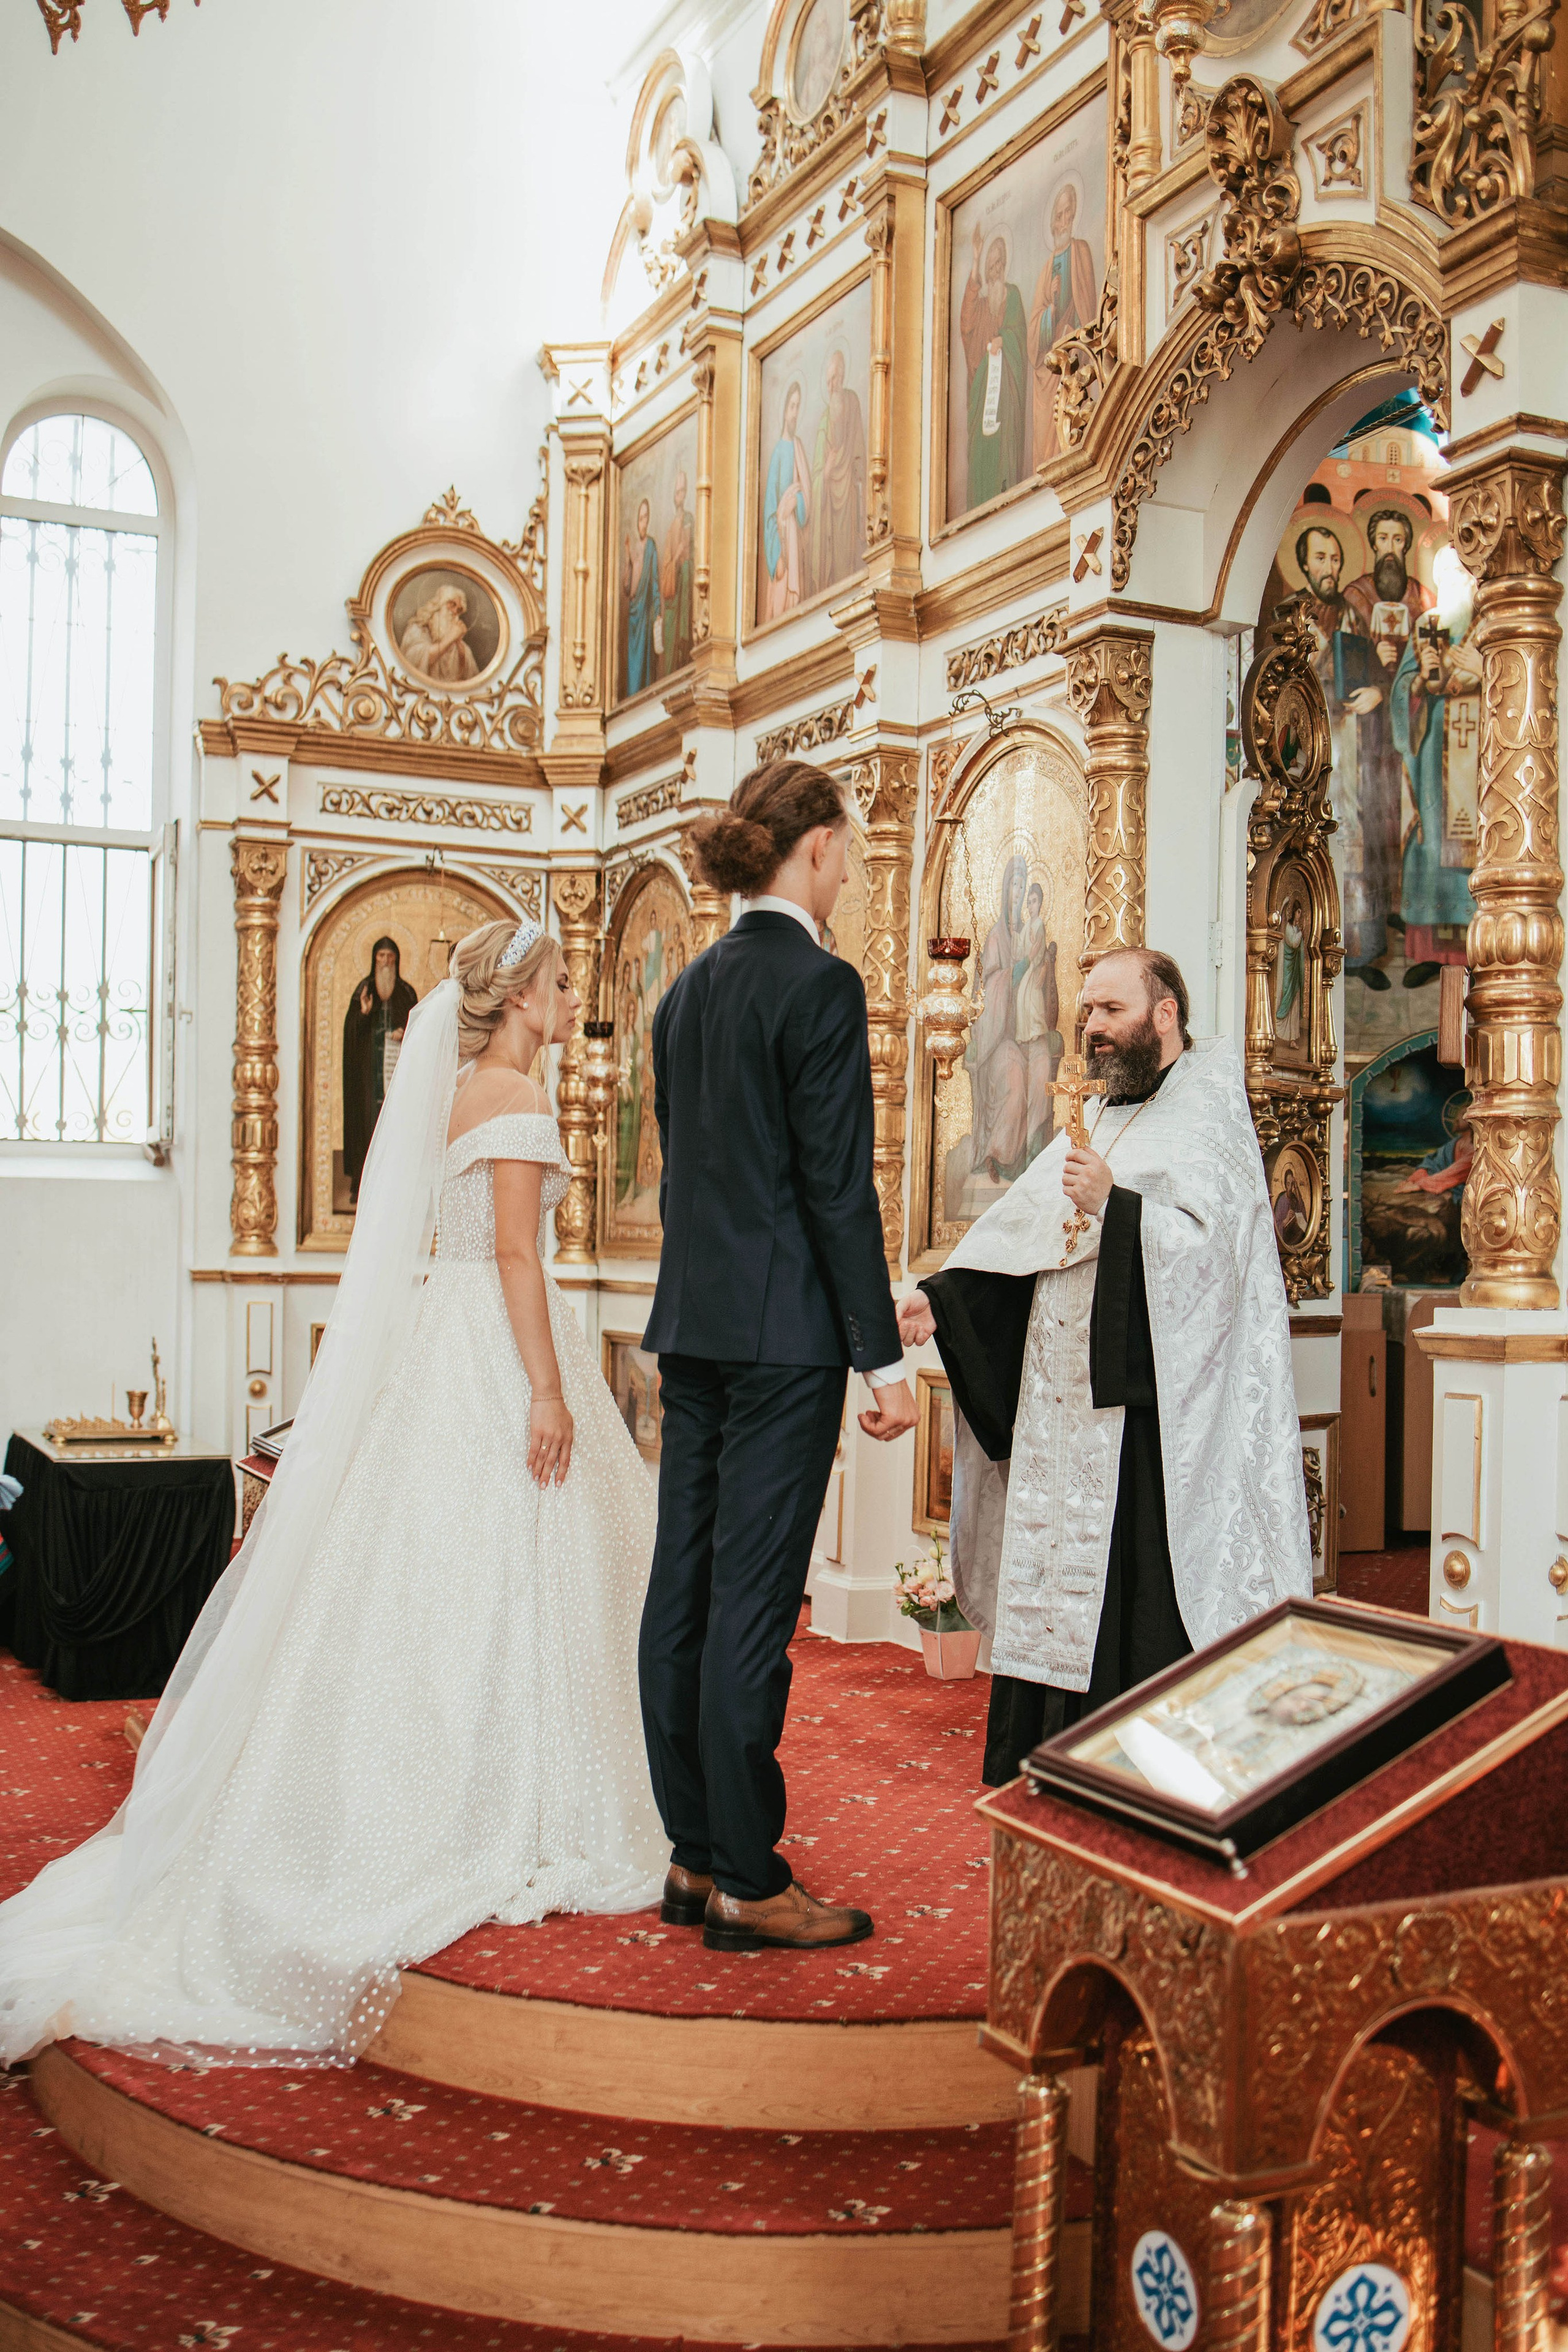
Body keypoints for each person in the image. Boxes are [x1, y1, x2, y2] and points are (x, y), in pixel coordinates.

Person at [0, 919, 668, 2070]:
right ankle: (508, 1799)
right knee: (521, 1566)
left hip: (441, 1339)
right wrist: (550, 1390)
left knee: (421, 1573)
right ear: (519, 997)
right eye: (562, 983)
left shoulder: (449, 1090)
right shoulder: (517, 1095)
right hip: (503, 1345)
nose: (574, 1001)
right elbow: (518, 1256)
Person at [897, 948, 1310, 1787]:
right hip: (1063, 1415)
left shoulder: (1208, 1111)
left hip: (1148, 1422)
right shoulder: (1100, 1112)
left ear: (1165, 1014)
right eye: (1086, 1011)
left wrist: (1115, 1208)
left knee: (1133, 1587)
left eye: (1110, 1010)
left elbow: (1216, 1264)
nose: (1090, 1028)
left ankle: (1137, 1769)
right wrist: (943, 1301)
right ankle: (1047, 1754)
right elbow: (1023, 1235)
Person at [640, 760, 918, 1951]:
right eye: (844, 849)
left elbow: (697, 1180)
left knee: (682, 1594)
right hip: (783, 1345)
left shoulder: (683, 994)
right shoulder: (820, 985)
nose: (847, 870)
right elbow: (835, 1190)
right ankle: (749, 1881)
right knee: (752, 1605)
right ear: (812, 848)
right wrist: (883, 1362)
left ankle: (694, 1855)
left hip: (694, 1327)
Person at [342, 936, 420, 1204]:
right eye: (381, 957)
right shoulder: (364, 991)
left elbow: (419, 1031)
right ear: (374, 960)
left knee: (395, 1126)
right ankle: (363, 1184)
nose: (386, 962)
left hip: (395, 1074)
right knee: (367, 1124)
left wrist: (405, 1032)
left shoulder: (407, 993)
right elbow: (351, 1034)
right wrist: (363, 1014)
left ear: (397, 961)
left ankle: (394, 1186)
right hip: (368, 1076)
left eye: (390, 957)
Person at [1028, 179, 1098, 468]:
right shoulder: (1046, 269)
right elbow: (1034, 331)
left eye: (1069, 213)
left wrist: (1076, 330)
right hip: (1050, 362)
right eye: (1060, 215)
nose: (1064, 220)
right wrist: (1051, 312)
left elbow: (1089, 304)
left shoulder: (1081, 251)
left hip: (1074, 350)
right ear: (1052, 222)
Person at [958, 227, 1028, 509]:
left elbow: (1019, 335)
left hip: (1005, 398)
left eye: (999, 263)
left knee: (1002, 455)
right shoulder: (983, 305)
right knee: (981, 452)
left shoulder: (1012, 296)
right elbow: (966, 324)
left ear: (1005, 264)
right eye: (990, 265)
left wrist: (1004, 340)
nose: (995, 270)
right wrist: (975, 259)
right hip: (982, 395)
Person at [809, 347, 866, 592]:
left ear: (843, 375)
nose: (832, 385)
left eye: (835, 378)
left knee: (849, 555)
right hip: (830, 506)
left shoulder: (852, 403)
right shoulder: (824, 421)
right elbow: (817, 477)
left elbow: (859, 448)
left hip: (850, 496)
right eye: (829, 381)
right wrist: (827, 472)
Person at [763, 382, 813, 619]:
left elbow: (806, 494)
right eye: (791, 406)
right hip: (783, 545)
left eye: (798, 407)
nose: (794, 413)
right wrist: (776, 558)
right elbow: (770, 513)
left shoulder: (799, 447)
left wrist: (798, 502)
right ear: (784, 410)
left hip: (797, 542)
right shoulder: (777, 454)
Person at [398, 585, 480, 685]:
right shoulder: (418, 629)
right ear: (439, 605)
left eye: (458, 610)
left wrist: (459, 646)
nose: (455, 612)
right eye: (452, 605)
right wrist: (451, 638)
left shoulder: (460, 644)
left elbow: (472, 680)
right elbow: (413, 662)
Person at [622, 497, 661, 695]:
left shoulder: (651, 546)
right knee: (633, 667)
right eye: (640, 519)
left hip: (645, 613)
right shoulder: (635, 547)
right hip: (633, 614)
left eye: (646, 518)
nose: (643, 523)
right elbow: (626, 587)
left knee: (644, 665)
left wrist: (658, 611)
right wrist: (628, 558)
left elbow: (654, 580)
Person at [660, 470, 694, 677]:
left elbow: (687, 544)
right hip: (673, 582)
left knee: (683, 631)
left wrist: (679, 558)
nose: (680, 495)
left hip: (685, 578)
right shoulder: (673, 524)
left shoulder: (688, 518)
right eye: (677, 492)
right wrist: (673, 563)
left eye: (682, 491)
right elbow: (669, 555)